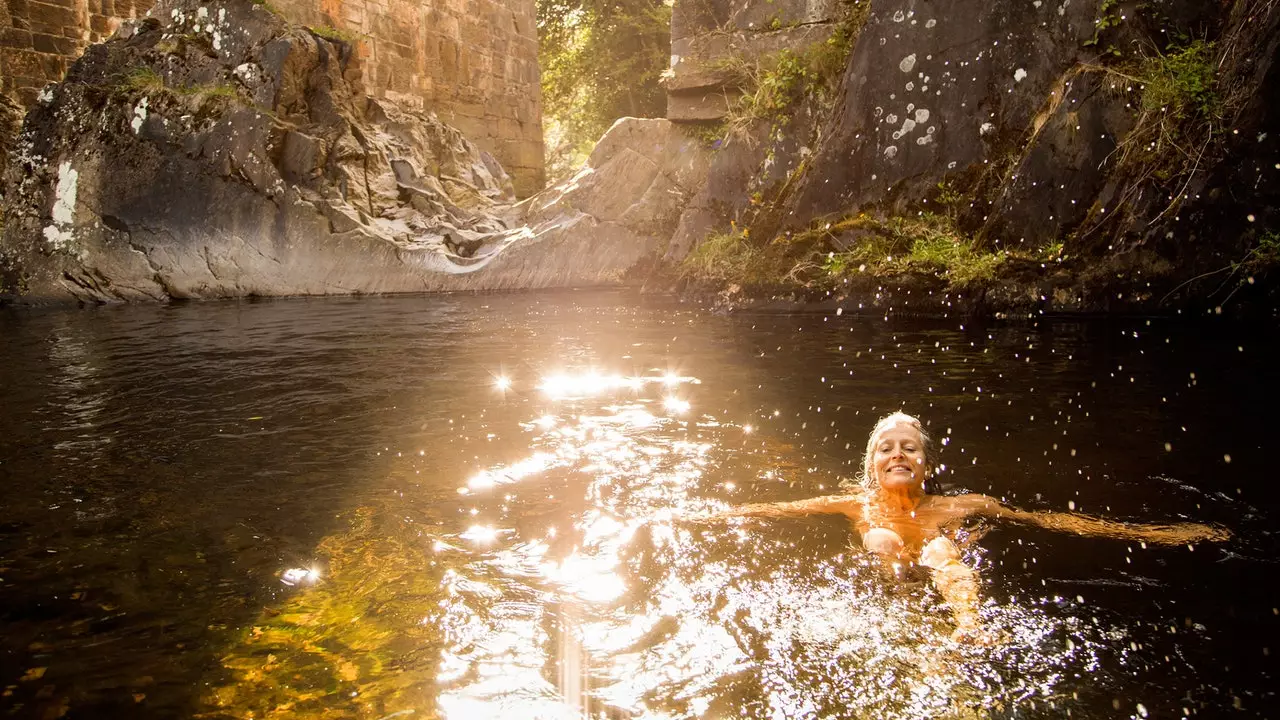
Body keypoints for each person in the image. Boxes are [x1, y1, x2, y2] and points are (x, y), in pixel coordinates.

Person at [696, 411, 1231, 641]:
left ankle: (968, 626)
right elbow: (776, 510)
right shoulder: (854, 503)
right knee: (882, 538)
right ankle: (900, 612)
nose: (898, 453)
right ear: (872, 464)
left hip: (938, 559)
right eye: (886, 448)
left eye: (909, 446)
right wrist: (695, 516)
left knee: (940, 553)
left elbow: (1048, 520)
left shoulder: (963, 505)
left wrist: (1154, 535)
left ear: (926, 463)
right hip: (885, 569)